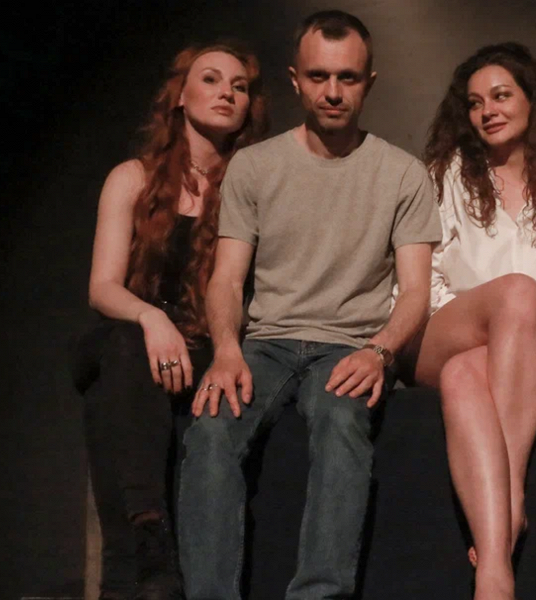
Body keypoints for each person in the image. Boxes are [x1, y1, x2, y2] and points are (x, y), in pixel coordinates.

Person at [175, 11, 441, 599]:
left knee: (342, 422)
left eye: (348, 77)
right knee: (211, 429)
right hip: (266, 342)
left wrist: (379, 352)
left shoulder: (403, 173)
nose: (333, 91)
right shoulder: (255, 165)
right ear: (296, 80)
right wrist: (225, 351)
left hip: (349, 346)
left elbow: (416, 291)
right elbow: (227, 279)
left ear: (370, 81)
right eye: (319, 76)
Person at [410, 42, 536, 599]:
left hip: (520, 351)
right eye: (474, 103)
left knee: (466, 376)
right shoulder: (443, 177)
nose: (487, 111)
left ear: (531, 100)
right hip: (438, 332)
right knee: (519, 293)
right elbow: (425, 280)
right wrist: (503, 330)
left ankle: (494, 566)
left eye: (500, 96)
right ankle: (513, 491)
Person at [79, 43, 267, 600]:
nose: (226, 92)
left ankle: (135, 570)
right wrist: (151, 318)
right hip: (134, 342)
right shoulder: (132, 178)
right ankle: (150, 532)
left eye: (239, 85)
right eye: (210, 79)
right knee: (122, 347)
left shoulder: (251, 189)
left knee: (109, 401)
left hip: (209, 351)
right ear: (180, 96)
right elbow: (102, 287)